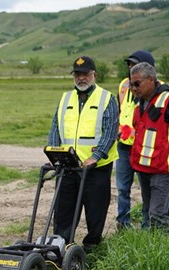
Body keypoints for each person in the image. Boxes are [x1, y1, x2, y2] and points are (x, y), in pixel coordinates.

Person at [47, 56, 119, 250]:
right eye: (77, 74)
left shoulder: (107, 99)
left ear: (94, 74)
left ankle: (91, 248)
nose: (81, 78)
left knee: (95, 212)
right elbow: (55, 127)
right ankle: (61, 247)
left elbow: (110, 132)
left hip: (96, 168)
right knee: (63, 210)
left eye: (85, 74)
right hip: (69, 166)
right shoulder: (65, 98)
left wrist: (95, 157)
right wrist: (55, 153)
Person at [128, 62, 169, 231]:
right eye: (131, 84)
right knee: (148, 211)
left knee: (157, 214)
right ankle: (151, 248)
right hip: (144, 168)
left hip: (163, 169)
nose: (133, 88)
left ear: (151, 80)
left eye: (137, 84)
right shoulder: (140, 103)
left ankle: (165, 252)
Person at [116, 50, 157, 230]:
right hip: (124, 146)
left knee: (147, 190)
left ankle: (146, 224)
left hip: (144, 147)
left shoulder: (157, 88)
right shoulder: (124, 85)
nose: (130, 68)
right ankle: (123, 224)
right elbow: (121, 109)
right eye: (129, 65)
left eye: (135, 65)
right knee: (122, 188)